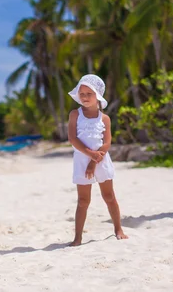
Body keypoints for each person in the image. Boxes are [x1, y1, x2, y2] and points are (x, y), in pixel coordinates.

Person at [67, 74, 128, 246]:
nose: (85, 97)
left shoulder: (105, 119)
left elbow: (107, 143)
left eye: (89, 94)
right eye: (82, 93)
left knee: (109, 196)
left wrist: (94, 160)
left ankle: (118, 229)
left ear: (98, 96)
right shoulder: (75, 114)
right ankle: (77, 237)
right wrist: (89, 155)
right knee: (83, 201)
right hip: (81, 160)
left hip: (100, 160)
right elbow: (72, 138)